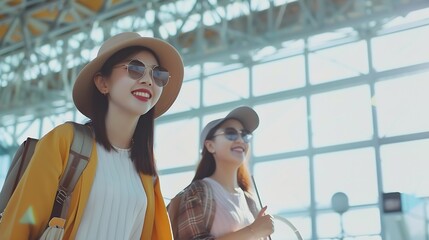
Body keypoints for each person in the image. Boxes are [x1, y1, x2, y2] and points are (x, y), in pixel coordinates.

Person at [0, 32, 184, 239]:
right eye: (135, 68)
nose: (148, 80)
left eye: (158, 75)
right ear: (102, 83)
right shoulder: (65, 141)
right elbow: (23, 220)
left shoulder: (147, 170)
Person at [168, 106, 274, 240]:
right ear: (210, 146)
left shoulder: (250, 201)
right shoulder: (198, 192)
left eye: (245, 135)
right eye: (230, 133)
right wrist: (253, 231)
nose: (240, 140)